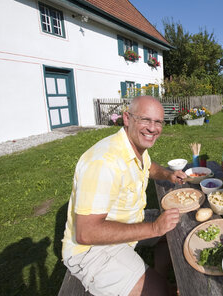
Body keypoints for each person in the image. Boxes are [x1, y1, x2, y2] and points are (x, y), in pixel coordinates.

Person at [61, 96, 186, 296]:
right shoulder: (103, 162)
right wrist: (154, 228)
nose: (153, 128)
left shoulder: (134, 146)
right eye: (145, 119)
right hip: (91, 250)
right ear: (127, 118)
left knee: (176, 229)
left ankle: (158, 275)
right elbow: (86, 233)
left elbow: (148, 166)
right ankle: (160, 285)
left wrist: (168, 175)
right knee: (162, 291)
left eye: (158, 122)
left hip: (127, 221)